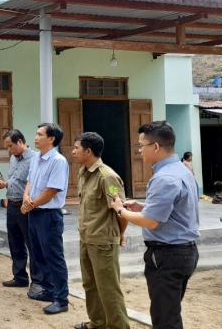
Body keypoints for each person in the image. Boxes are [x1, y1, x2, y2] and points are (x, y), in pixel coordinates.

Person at [110, 121, 199, 329]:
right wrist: (142, 206)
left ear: (156, 147)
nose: (140, 151)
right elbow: (175, 209)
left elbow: (150, 221)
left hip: (167, 255)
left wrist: (120, 210)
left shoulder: (164, 178)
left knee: (165, 318)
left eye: (142, 145)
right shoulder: (182, 170)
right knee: (170, 311)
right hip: (184, 252)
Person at [72, 132, 130, 329]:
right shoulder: (83, 172)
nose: (72, 152)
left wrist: (120, 234)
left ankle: (118, 326)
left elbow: (121, 211)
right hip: (87, 238)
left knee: (108, 289)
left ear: (88, 151)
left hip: (103, 241)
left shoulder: (108, 177)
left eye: (76, 148)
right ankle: (98, 322)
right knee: (90, 285)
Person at [21, 123, 70, 315]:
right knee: (39, 254)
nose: (36, 137)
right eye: (36, 133)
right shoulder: (36, 158)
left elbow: (52, 190)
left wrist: (31, 204)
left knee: (54, 257)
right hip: (34, 213)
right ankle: (49, 291)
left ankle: (61, 298)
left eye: (40, 134)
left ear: (51, 139)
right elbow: (30, 181)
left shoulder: (58, 161)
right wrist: (26, 197)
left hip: (49, 214)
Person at [0, 129, 42, 293]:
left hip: (27, 208)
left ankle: (37, 281)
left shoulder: (35, 159)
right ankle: (20, 277)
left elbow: (34, 183)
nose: (9, 150)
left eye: (11, 146)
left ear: (21, 142)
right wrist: (6, 184)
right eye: (7, 147)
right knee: (15, 243)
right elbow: (17, 179)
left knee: (32, 244)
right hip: (11, 205)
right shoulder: (13, 159)